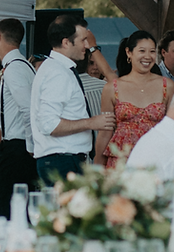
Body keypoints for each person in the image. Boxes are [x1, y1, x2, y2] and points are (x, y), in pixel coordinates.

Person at [30, 14, 114, 182]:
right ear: (66, 42)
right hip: (62, 160)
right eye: (83, 40)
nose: (87, 46)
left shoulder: (57, 68)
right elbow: (49, 124)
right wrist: (91, 123)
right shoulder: (57, 73)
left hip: (62, 159)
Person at [96, 30, 174, 168]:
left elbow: (173, 129)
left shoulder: (167, 86)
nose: (147, 56)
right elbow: (104, 133)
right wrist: (97, 169)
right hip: (121, 162)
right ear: (129, 52)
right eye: (142, 51)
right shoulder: (112, 88)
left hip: (155, 160)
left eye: (152, 51)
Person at [0, 18, 37, 216]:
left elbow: (27, 109)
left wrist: (31, 147)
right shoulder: (22, 65)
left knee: (1, 210)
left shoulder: (15, 68)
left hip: (18, 149)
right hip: (19, 147)